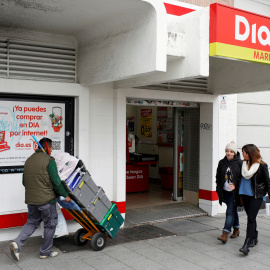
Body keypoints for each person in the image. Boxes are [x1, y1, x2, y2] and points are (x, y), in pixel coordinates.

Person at [9, 137, 71, 261]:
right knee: (50, 224)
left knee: (32, 222)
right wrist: (65, 195)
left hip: (31, 200)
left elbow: (24, 182)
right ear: (47, 147)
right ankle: (45, 252)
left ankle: (17, 243)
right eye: (52, 147)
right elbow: (56, 182)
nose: (52, 150)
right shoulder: (49, 160)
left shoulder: (29, 160)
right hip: (46, 201)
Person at [239, 144, 270, 255]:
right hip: (244, 195)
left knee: (251, 218)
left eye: (244, 152)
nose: (242, 154)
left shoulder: (262, 166)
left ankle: (246, 244)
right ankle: (254, 236)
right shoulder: (242, 164)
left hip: (256, 196)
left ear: (250, 153)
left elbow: (268, 183)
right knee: (251, 217)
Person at [216, 141, 242, 244]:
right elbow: (218, 176)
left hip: (234, 193)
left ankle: (225, 233)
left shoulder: (239, 163)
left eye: (231, 151)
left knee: (230, 211)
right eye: (227, 151)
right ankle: (236, 228)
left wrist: (235, 184)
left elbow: (242, 178)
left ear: (235, 153)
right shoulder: (222, 162)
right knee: (232, 209)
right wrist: (218, 188)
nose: (229, 153)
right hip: (224, 191)